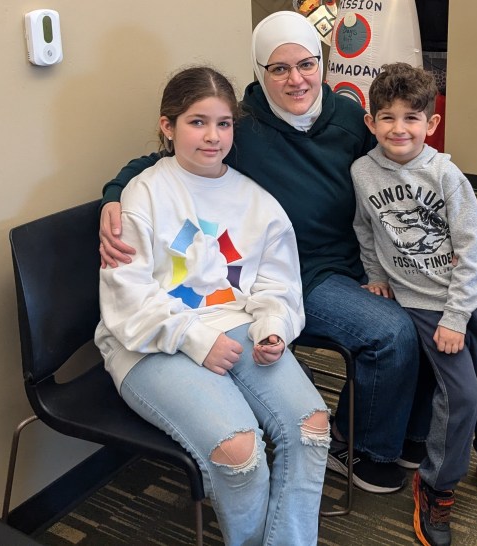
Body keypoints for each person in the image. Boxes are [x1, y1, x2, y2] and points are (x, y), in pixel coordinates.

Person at [99, 11, 421, 494]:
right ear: (259, 71)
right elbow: (161, 159)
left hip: (355, 260)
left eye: (307, 64)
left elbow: (400, 167)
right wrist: (113, 195)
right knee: (391, 331)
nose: (296, 79)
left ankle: (408, 432)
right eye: (279, 68)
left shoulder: (351, 120)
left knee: (429, 308)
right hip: (297, 276)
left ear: (322, 63)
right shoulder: (241, 128)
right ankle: (357, 447)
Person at [95, 65, 330, 546]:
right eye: (197, 122)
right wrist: (196, 339)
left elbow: (277, 281)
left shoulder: (256, 200)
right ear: (168, 127)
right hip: (149, 341)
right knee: (238, 450)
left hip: (237, 326)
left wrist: (272, 327)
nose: (212, 136)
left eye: (223, 123)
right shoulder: (142, 196)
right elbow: (129, 301)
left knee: (312, 427)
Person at [351, 62, 477, 546]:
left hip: (468, 300)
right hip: (421, 305)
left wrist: (458, 315)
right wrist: (377, 275)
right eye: (387, 117)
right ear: (371, 123)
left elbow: (474, 248)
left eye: (411, 117)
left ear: (432, 123)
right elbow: (366, 227)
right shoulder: (363, 172)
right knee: (461, 394)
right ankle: (436, 483)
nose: (399, 128)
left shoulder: (447, 176)